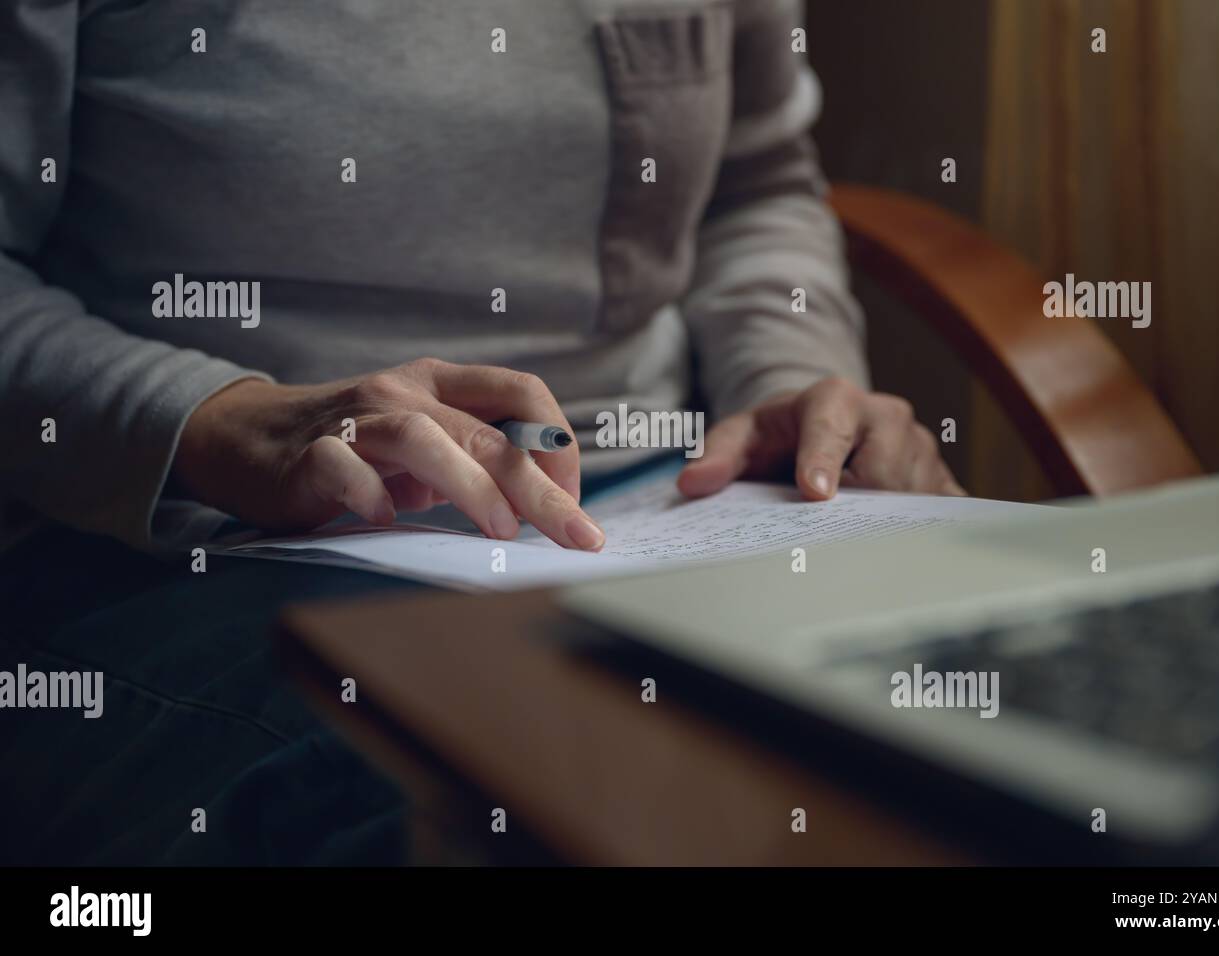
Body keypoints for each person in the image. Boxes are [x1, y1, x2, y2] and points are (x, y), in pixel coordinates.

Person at [0, 1, 959, 864]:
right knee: (507, 799)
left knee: (979, 732)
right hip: (193, 541)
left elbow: (753, 186)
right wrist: (221, 423)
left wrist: (791, 390)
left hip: (679, 493)